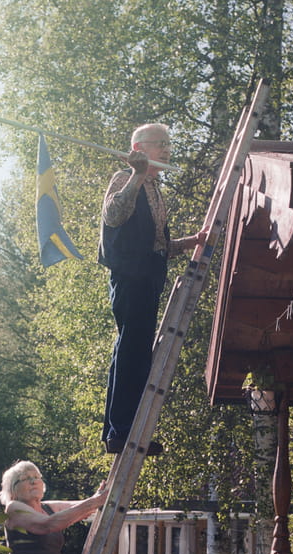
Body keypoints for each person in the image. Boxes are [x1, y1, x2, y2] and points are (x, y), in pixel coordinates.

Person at [99, 122, 208, 454]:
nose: (167, 150)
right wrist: (136, 174)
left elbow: (156, 243)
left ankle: (125, 428)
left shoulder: (155, 190)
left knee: (135, 351)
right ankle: (120, 431)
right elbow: (114, 215)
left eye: (168, 144)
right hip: (130, 276)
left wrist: (191, 242)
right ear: (139, 149)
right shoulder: (124, 178)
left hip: (147, 276)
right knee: (130, 350)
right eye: (161, 143)